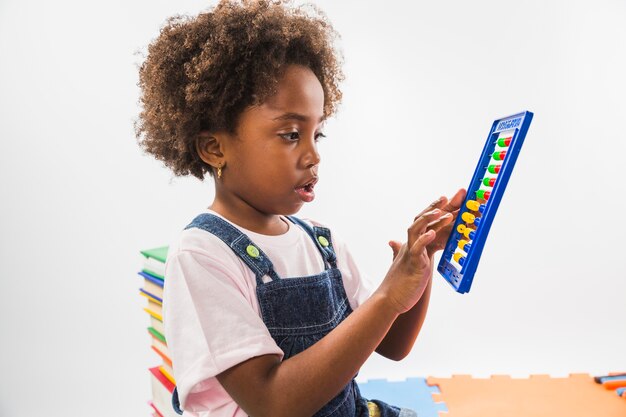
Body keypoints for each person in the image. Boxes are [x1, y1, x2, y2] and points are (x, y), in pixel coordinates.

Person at [135, 1, 465, 416]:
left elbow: (393, 345)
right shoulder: (201, 255)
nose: (313, 155)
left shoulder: (321, 242)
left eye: (317, 134)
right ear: (215, 147)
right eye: (291, 134)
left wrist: (419, 262)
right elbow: (273, 404)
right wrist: (386, 296)